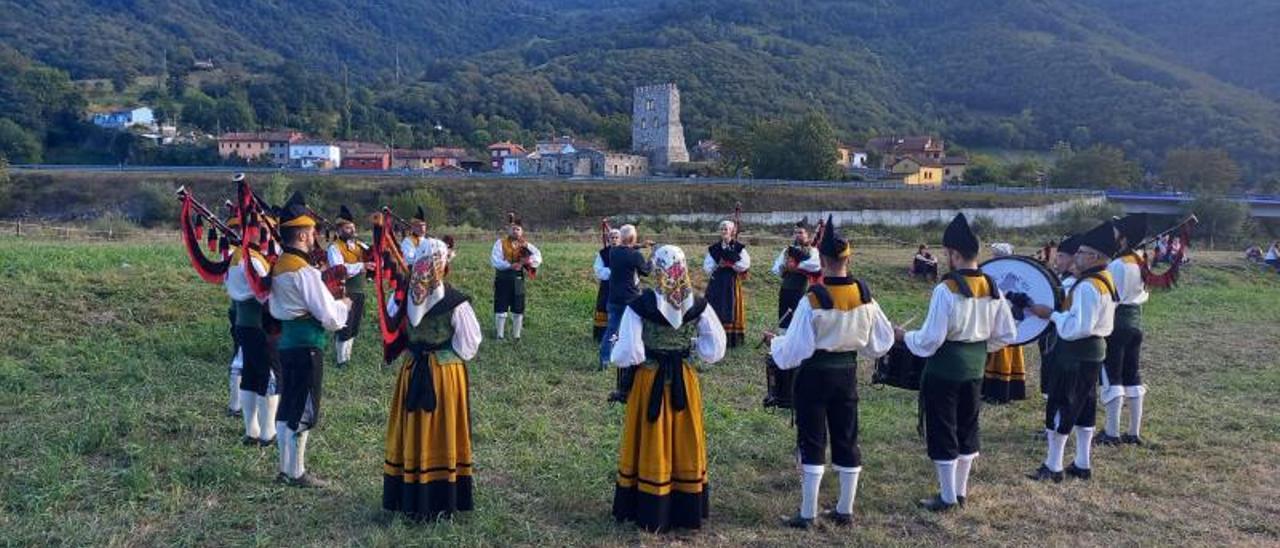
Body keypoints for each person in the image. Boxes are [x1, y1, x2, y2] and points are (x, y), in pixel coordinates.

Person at [766, 215, 894, 528]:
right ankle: (844, 510)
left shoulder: (813, 300)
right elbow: (882, 341)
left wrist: (775, 343)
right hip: (847, 375)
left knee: (812, 439)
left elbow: (794, 351)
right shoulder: (865, 296)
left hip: (814, 377)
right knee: (847, 437)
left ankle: (808, 514)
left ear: (821, 259)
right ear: (848, 258)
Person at [896, 213, 1017, 511]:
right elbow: (1008, 333)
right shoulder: (993, 287)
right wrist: (978, 348)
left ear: (955, 254)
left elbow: (930, 340)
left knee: (943, 429)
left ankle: (948, 497)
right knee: (967, 426)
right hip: (975, 369)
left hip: (944, 370)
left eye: (948, 253)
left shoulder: (946, 289)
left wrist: (903, 337)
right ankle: (960, 492)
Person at [610, 245, 726, 533]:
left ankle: (650, 503)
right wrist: (690, 349)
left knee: (651, 436)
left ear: (658, 269)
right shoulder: (699, 305)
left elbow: (628, 353)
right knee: (684, 435)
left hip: (650, 378)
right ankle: (684, 505)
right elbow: (715, 349)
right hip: (684, 378)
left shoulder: (641, 305)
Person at [382, 247, 482, 520]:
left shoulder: (401, 298)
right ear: (443, 267)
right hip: (445, 373)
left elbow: (392, 329)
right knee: (443, 428)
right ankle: (441, 496)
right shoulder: (455, 302)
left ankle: (411, 492)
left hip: (413, 369)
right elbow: (469, 345)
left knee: (415, 429)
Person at [268, 192, 352, 488]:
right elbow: (329, 317)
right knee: (304, 408)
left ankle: (284, 469)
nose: (315, 235)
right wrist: (344, 305)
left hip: (287, 343)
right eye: (312, 231)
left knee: (287, 406)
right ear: (303, 234)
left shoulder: (279, 265)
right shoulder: (303, 272)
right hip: (307, 347)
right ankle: (298, 472)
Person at [1027, 221, 1118, 482]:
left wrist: (1052, 314)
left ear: (1096, 257)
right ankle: (1081, 462)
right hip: (1092, 353)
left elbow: (1078, 327)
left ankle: (1053, 466)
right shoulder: (1104, 280)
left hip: (1075, 354)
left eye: (1082, 253)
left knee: (1062, 404)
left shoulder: (1088, 286)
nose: (1076, 256)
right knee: (1085, 406)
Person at [226, 216, 281, 447]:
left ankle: (252, 431)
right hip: (260, 326)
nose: (264, 234)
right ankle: (268, 433)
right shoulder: (251, 260)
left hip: (244, 324)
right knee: (269, 376)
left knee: (250, 375)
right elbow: (266, 292)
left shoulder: (238, 255)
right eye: (261, 230)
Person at [1100, 213, 1149, 446]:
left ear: (1125, 237)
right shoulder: (1142, 259)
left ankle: (1111, 433)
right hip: (1136, 323)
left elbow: (1111, 297)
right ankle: (1133, 432)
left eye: (1118, 232)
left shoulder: (1118, 264)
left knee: (1113, 376)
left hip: (1117, 324)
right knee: (1133, 376)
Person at [764, 219, 820, 408]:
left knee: (799, 319)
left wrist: (798, 267)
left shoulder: (812, 251)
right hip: (786, 288)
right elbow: (776, 267)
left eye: (801, 233)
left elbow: (814, 266)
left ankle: (797, 345)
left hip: (801, 290)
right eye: (795, 233)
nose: (797, 236)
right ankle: (784, 344)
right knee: (784, 319)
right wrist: (784, 268)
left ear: (808, 235)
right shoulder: (787, 250)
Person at [600, 225, 652, 372]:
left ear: (621, 238)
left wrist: (641, 245)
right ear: (633, 238)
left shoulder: (613, 252)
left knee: (611, 331)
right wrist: (653, 257)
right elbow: (646, 271)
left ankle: (604, 359)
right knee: (638, 330)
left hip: (614, 298)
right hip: (632, 299)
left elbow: (626, 248)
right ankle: (640, 358)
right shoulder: (636, 255)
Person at [982, 243, 1027, 404]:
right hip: (998, 316)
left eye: (996, 255)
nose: (993, 258)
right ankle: (990, 391)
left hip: (1009, 317)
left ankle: (1001, 393)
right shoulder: (994, 273)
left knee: (1004, 353)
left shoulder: (1013, 274)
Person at [328, 205, 372, 368]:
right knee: (344, 326)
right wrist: (362, 265)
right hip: (344, 292)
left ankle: (348, 357)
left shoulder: (360, 246)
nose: (351, 230)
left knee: (354, 326)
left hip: (359, 291)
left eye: (352, 227)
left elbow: (373, 257)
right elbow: (339, 269)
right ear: (339, 230)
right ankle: (341, 360)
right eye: (347, 228)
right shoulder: (334, 248)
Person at [1038, 235, 1080, 399]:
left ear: (1074, 257)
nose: (1057, 260)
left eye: (1061, 256)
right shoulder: (1063, 280)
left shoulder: (1072, 284)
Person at [490, 212, 542, 341]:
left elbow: (538, 257)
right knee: (501, 306)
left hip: (518, 280)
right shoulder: (500, 243)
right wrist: (509, 265)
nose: (515, 231)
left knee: (518, 307)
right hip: (503, 278)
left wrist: (526, 262)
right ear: (508, 230)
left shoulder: (525, 245)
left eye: (518, 229)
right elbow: (495, 260)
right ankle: (500, 335)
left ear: (522, 231)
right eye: (513, 229)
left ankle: (516, 336)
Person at [703, 220, 751, 347]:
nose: (724, 231)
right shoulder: (714, 248)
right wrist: (718, 264)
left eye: (726, 229)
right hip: (717, 281)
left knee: (732, 305)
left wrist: (731, 264)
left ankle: (731, 339)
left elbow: (745, 264)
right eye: (722, 229)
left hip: (731, 281)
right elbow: (707, 267)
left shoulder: (738, 247)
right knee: (715, 304)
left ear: (732, 231)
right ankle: (715, 336)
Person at [593, 229, 622, 342]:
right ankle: (601, 336)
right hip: (607, 287)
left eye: (616, 237)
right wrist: (612, 271)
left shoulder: (625, 252)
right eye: (612, 238)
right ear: (608, 239)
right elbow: (598, 270)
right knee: (603, 307)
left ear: (620, 239)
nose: (614, 240)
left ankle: (620, 335)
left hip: (621, 287)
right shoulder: (603, 253)